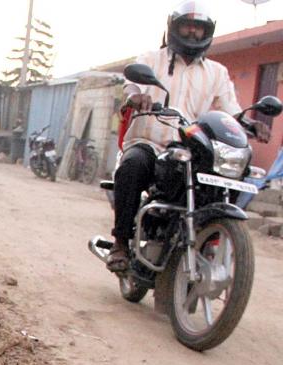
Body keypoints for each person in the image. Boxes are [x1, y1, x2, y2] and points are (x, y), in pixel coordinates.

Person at [107, 0, 271, 271]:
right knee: (132, 165)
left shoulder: (217, 72)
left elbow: (232, 110)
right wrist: (136, 97)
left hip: (189, 149)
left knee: (224, 181)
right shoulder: (151, 59)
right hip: (150, 142)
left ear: (208, 32)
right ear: (174, 28)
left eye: (199, 28)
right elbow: (131, 86)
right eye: (187, 26)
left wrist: (250, 122)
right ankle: (121, 243)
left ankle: (202, 239)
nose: (193, 32)